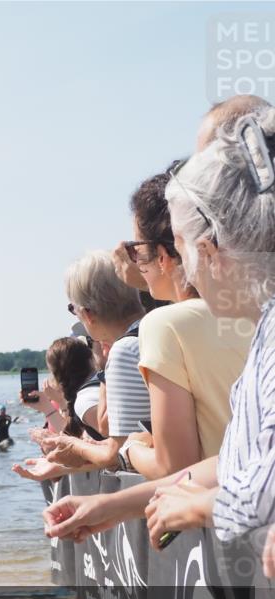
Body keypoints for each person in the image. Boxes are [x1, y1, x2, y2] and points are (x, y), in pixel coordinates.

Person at [43, 106, 275, 549]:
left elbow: (258, 499)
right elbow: (236, 463)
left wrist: (197, 507)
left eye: (184, 250)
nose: (184, 269)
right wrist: (115, 505)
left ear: (210, 252)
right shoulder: (263, 332)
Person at [120, 167, 252, 480]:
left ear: (164, 254)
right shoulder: (257, 312)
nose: (136, 263)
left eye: (136, 250)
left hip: (219, 521)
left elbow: (176, 468)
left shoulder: (165, 325)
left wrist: (131, 451)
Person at [41, 251, 150, 472]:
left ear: (88, 314)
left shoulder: (125, 351)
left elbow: (118, 452)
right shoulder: (161, 327)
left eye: (74, 310)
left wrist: (73, 445)